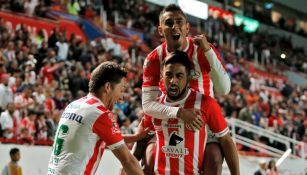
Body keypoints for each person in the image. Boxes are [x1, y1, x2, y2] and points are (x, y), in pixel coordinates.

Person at [141, 4, 231, 175]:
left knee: (214, 160)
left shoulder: (203, 50)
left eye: (179, 22)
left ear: (187, 27)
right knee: (148, 160)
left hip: (202, 119)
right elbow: (148, 105)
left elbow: (224, 89)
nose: (174, 26)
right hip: (169, 116)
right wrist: (180, 112)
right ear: (160, 30)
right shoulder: (153, 58)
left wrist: (208, 51)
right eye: (168, 23)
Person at [143, 51, 239, 174]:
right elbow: (142, 136)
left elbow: (226, 140)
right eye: (169, 75)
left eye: (179, 76)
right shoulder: (154, 106)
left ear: (188, 78)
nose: (173, 81)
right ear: (162, 76)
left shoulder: (206, 103)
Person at [47, 61, 144, 175]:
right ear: (107, 87)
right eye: (121, 90)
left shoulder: (73, 105)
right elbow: (128, 161)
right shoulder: (101, 114)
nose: (121, 97)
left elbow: (92, 136)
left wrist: (135, 137)